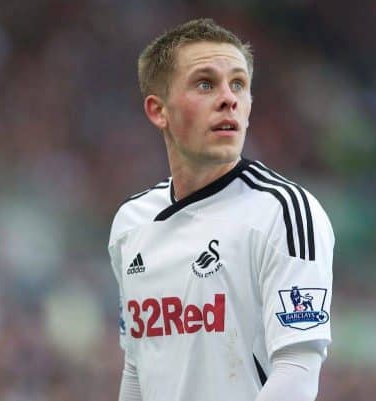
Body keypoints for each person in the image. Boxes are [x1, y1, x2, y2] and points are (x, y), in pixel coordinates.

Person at [108, 18, 334, 401]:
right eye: (205, 83)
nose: (229, 98)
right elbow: (137, 369)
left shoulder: (285, 212)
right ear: (158, 110)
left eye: (239, 84)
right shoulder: (131, 223)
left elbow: (298, 370)